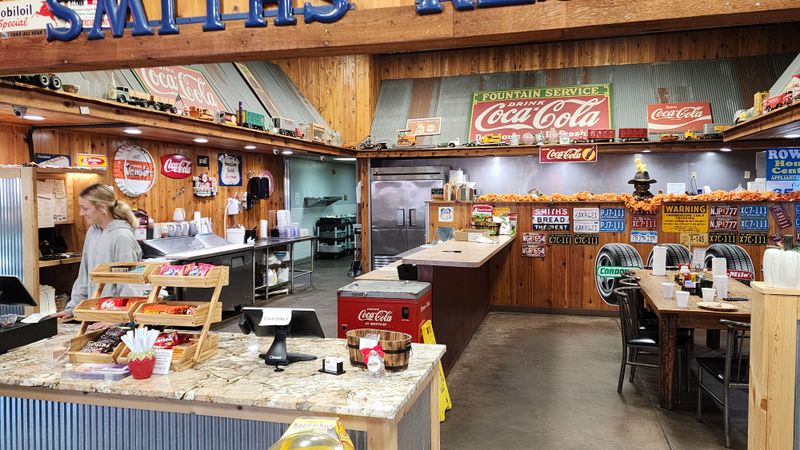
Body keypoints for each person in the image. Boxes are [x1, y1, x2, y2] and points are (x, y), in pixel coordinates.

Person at [54, 184, 142, 319]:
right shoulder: (92, 232)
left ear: (102, 208)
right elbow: (84, 276)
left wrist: (117, 320)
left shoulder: (122, 237)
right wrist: (72, 308)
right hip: (95, 315)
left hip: (114, 320)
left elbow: (129, 284)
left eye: (85, 208)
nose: (81, 213)